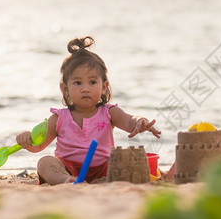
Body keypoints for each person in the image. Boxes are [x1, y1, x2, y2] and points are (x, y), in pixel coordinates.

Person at [16, 36, 161, 185]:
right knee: (45, 162)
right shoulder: (59, 118)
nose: (85, 88)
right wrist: (26, 140)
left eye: (92, 82)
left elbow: (129, 120)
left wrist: (139, 122)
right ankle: (66, 181)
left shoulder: (109, 112)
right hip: (68, 168)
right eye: (78, 82)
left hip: (105, 169)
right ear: (65, 89)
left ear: (104, 87)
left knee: (125, 159)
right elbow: (39, 146)